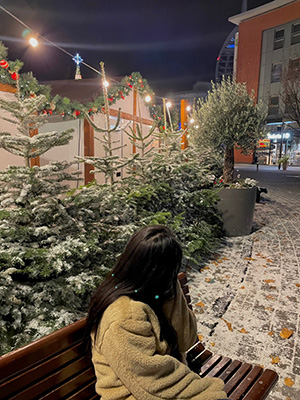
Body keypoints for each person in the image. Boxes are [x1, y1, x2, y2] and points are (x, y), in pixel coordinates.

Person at [86, 225, 228, 400]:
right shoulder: (123, 316)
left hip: (160, 385)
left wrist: (172, 288)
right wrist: (207, 393)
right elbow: (151, 381)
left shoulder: (153, 293)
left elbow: (186, 340)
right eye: (170, 273)